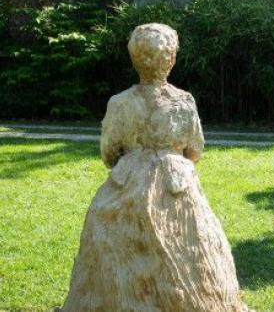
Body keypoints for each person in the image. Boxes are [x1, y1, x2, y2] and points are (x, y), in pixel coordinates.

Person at [61, 23, 249, 312]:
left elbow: (109, 152)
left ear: (134, 58)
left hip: (129, 179)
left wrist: (133, 162)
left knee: (108, 226)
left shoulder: (119, 103)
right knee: (190, 243)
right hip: (177, 182)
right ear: (171, 58)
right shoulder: (185, 102)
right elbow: (195, 149)